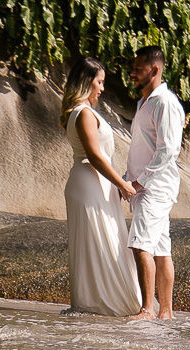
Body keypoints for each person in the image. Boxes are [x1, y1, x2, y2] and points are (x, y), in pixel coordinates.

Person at [61, 56, 144, 317]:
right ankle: (104, 304)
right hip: (90, 184)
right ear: (87, 82)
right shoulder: (83, 113)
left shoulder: (81, 112)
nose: (102, 88)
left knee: (104, 242)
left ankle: (104, 302)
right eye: (99, 82)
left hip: (94, 185)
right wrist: (123, 185)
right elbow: (94, 156)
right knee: (101, 242)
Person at [124, 45, 183, 320]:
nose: (132, 73)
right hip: (147, 185)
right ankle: (166, 312)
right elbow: (142, 146)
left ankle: (148, 309)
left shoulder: (165, 102)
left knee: (141, 244)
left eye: (138, 68)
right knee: (160, 248)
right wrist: (128, 179)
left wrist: (139, 182)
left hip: (155, 187)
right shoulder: (145, 102)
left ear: (155, 70)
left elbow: (168, 149)